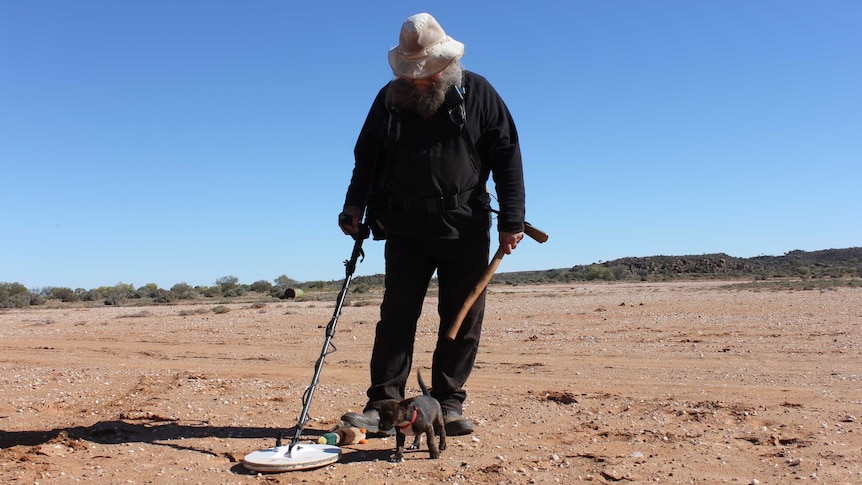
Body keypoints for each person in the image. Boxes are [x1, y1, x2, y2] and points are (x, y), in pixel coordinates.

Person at [337, 12, 526, 437]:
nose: (419, 80)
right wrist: (353, 205)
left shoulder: (478, 92)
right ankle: (383, 407)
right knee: (396, 316)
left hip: (465, 224)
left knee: (461, 316)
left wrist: (512, 218)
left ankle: (447, 404)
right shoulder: (390, 98)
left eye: (427, 72)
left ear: (447, 63)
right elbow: (366, 158)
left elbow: (507, 156)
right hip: (403, 224)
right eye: (412, 72)